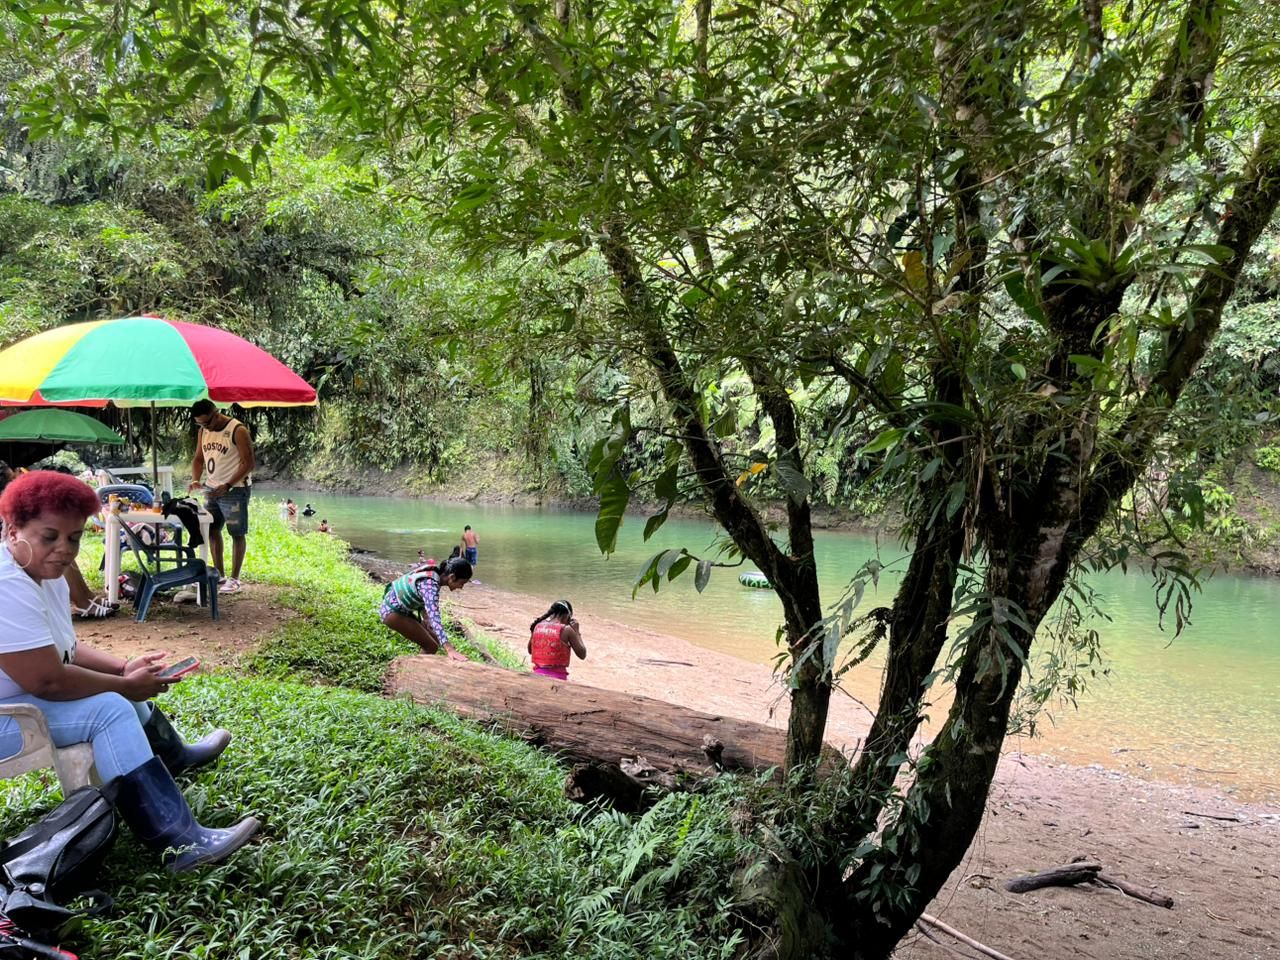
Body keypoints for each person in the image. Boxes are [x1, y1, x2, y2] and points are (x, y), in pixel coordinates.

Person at [0, 471, 258, 872]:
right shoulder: (6, 584)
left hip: (16, 699)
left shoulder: (40, 569)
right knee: (111, 707)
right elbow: (46, 680)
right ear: (11, 529)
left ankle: (173, 757)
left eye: (73, 538)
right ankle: (179, 843)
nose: (63, 549)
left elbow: (65, 648)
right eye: (49, 536)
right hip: (7, 715)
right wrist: (124, 685)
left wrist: (123, 667)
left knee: (116, 694)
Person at [188, 399, 254, 594]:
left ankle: (234, 579)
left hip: (234, 490)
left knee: (237, 533)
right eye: (200, 423)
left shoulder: (237, 430)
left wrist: (228, 485)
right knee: (211, 529)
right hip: (211, 488)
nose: (205, 426)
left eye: (207, 422)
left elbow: (248, 463)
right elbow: (199, 459)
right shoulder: (203, 431)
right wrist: (195, 479)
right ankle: (219, 573)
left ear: (216, 414)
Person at [379, 556, 472, 661]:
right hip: (392, 612)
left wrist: (426, 618)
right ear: (452, 577)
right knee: (431, 646)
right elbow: (435, 618)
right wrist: (450, 649)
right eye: (462, 583)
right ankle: (414, 671)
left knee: (436, 640)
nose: (461, 587)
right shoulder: (430, 585)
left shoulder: (433, 574)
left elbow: (421, 598)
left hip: (398, 609)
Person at [528, 600, 586, 680]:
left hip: (537, 674)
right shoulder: (566, 630)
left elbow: (530, 650)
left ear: (551, 614)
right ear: (567, 616)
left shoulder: (538, 626)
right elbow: (582, 654)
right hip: (558, 677)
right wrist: (576, 632)